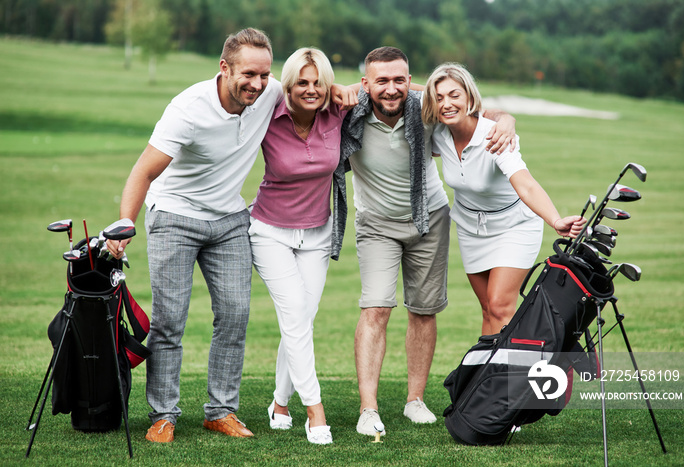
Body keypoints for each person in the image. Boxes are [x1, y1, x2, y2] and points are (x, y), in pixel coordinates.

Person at [105, 29, 356, 444]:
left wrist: (342, 89)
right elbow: (144, 171)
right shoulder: (188, 109)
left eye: (263, 74)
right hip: (175, 216)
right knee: (170, 320)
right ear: (224, 68)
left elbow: (314, 88)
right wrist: (125, 222)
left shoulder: (272, 92)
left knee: (236, 315)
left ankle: (220, 410)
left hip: (230, 220)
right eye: (248, 74)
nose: (256, 83)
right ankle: (163, 415)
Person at [333, 47, 517, 436]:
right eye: (381, 81)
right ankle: (368, 409)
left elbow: (480, 112)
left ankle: (414, 400)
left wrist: (508, 120)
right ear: (365, 83)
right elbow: (314, 98)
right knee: (376, 308)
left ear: (410, 80)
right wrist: (343, 90)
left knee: (423, 310)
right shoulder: (350, 113)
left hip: (429, 220)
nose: (392, 88)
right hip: (376, 224)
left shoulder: (426, 108)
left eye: (400, 79)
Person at [421, 62, 585, 336]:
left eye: (454, 95)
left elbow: (526, 185)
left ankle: (510, 376)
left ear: (470, 97)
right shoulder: (438, 134)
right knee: (488, 309)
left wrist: (555, 220)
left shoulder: (495, 135)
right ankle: (491, 375)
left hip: (514, 226)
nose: (446, 104)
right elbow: (410, 91)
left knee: (500, 306)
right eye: (438, 98)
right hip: (471, 230)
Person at [249, 47, 355, 445]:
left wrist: (498, 112)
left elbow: (397, 90)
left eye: (318, 82)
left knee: (300, 322)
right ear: (287, 85)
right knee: (295, 314)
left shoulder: (338, 111)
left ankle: (279, 402)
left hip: (317, 234)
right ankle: (315, 410)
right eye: (301, 83)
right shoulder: (267, 113)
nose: (310, 90)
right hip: (269, 232)